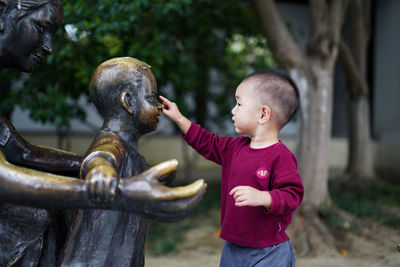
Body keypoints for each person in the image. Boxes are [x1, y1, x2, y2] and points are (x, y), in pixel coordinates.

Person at [0, 1, 206, 265]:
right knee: (35, 217)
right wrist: (114, 187)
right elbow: (5, 177)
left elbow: (21, 152)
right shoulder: (112, 144)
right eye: (41, 27)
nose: (49, 46)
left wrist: (100, 168)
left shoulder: (122, 150)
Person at [60, 57, 206, 266]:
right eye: (151, 98)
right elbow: (100, 157)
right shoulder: (111, 143)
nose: (158, 107)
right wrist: (100, 172)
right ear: (128, 102)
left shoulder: (129, 151)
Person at [160, 69, 304, 267]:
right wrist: (178, 118)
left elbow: (292, 195)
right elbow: (206, 142)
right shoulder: (234, 148)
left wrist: (264, 197)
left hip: (270, 252)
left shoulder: (281, 156)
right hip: (233, 248)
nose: (233, 110)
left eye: (239, 104)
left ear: (263, 113)